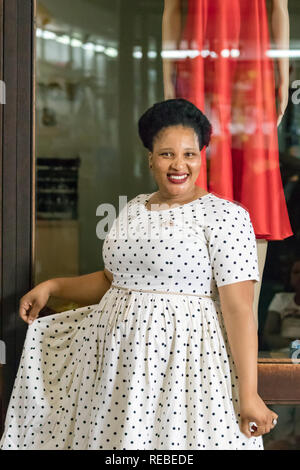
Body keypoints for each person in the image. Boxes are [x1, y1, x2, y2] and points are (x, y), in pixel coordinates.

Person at [0, 98, 277, 450]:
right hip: (114, 366)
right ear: (150, 158)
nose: (179, 164)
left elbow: (239, 310)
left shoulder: (226, 217)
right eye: (166, 154)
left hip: (184, 366)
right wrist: (53, 286)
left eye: (189, 154)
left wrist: (250, 394)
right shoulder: (132, 209)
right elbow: (112, 281)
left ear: (202, 156)